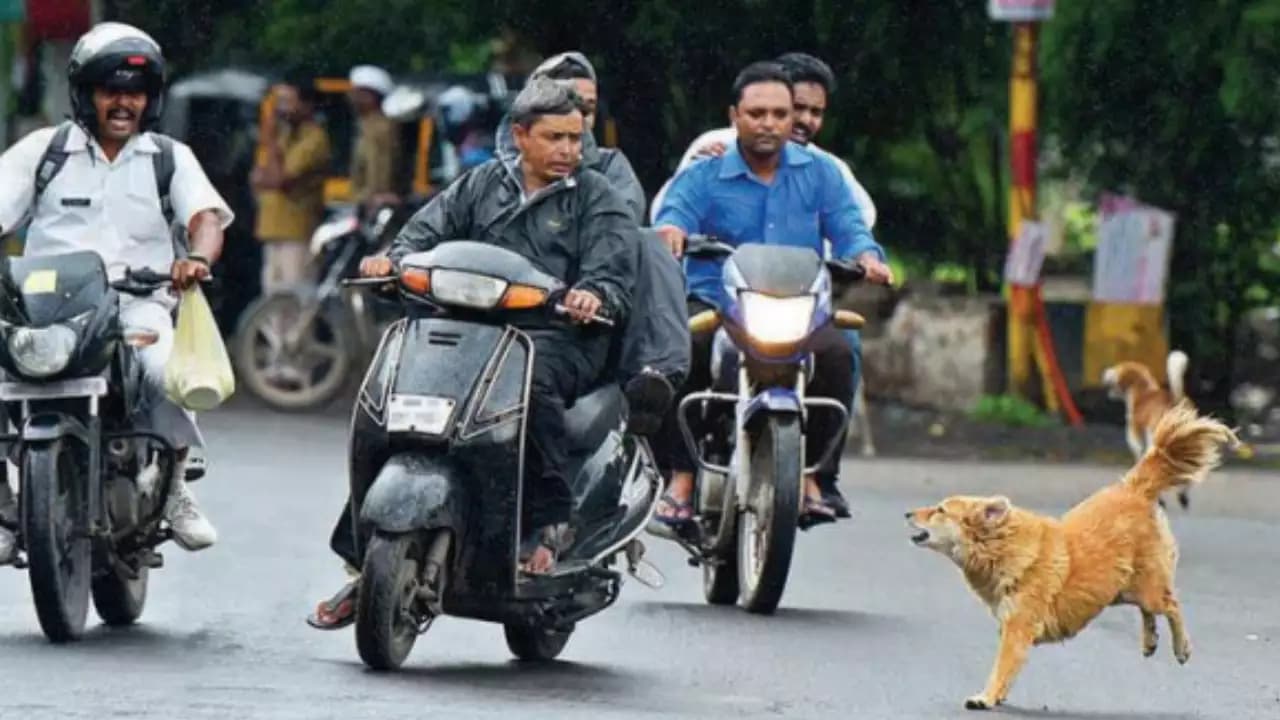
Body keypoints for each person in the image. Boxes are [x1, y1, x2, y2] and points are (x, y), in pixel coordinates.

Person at [307, 77, 634, 629]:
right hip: (471, 327)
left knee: (530, 390)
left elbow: (613, 273)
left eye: (575, 139)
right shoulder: (482, 183)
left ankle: (548, 522)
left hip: (557, 336)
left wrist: (592, 295)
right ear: (521, 136)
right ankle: (368, 559)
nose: (568, 150)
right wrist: (392, 261)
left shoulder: (596, 197)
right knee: (399, 394)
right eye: (554, 138)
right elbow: (422, 234)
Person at [0, 22, 234, 563]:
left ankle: (175, 486)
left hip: (138, 307)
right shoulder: (45, 150)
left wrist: (196, 259)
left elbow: (205, 218)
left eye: (136, 92)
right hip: (46, 313)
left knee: (166, 371)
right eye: (111, 90)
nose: (124, 102)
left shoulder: (169, 157)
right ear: (86, 93)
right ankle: (3, 503)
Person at [649, 61, 892, 530]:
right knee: (681, 346)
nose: (770, 124)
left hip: (798, 307)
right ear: (735, 116)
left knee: (841, 352)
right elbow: (674, 212)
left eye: (780, 114)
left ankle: (816, 476)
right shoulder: (705, 171)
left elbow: (849, 226)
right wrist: (673, 232)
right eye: (757, 113)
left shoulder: (822, 173)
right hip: (719, 304)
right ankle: (680, 476)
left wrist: (866, 257)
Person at [650, 52, 876, 228]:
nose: (806, 120)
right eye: (797, 108)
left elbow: (859, 223)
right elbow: (666, 215)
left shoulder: (828, 167)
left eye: (816, 112)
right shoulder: (716, 147)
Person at [495, 51, 646, 223]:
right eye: (565, 105)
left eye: (588, 109)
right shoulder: (490, 180)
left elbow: (621, 230)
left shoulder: (610, 168)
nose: (579, 117)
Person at [250, 75, 331, 294]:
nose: (281, 109)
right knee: (271, 300)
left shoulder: (315, 139)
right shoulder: (284, 135)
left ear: (307, 104)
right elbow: (257, 178)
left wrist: (271, 139)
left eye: (288, 101)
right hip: (272, 229)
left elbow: (279, 179)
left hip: (297, 233)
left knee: (296, 297)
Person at [347, 64, 401, 209]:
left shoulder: (380, 129)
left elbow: (379, 170)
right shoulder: (366, 126)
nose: (352, 97)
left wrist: (374, 197)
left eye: (358, 93)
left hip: (373, 206)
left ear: (372, 97)